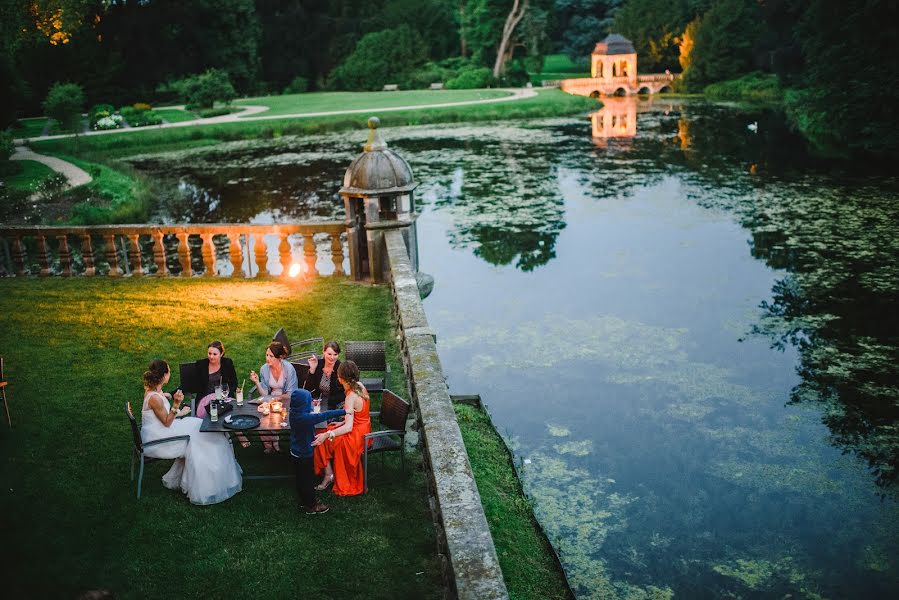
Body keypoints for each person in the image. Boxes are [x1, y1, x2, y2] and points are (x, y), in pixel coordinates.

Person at [141, 359, 242, 505]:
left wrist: (172, 402)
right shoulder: (155, 398)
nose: (170, 373)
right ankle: (208, 486)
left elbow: (161, 409)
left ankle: (205, 478)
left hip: (161, 429)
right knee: (200, 438)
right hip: (159, 437)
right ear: (163, 376)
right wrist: (176, 404)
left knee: (200, 425)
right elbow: (167, 421)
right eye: (169, 371)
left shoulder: (154, 390)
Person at [311, 360, 371, 496]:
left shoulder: (350, 397)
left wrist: (328, 435)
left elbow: (349, 428)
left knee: (323, 436)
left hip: (356, 436)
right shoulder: (359, 385)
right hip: (363, 427)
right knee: (326, 429)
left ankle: (328, 475)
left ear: (341, 378)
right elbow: (356, 416)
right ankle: (329, 473)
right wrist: (339, 424)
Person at [288, 388, 346, 514]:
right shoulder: (304, 418)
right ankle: (312, 505)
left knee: (300, 479)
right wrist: (345, 411)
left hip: (295, 451)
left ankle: (304, 501)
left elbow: (309, 412)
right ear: (305, 404)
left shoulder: (294, 412)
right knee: (308, 480)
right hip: (304, 454)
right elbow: (324, 415)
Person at [250, 341, 298, 453]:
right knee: (263, 417)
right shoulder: (264, 369)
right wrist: (257, 382)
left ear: (280, 357)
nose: (268, 358)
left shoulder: (288, 369)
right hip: (271, 399)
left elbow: (291, 393)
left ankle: (276, 441)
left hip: (287, 399)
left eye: (271, 356)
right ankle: (269, 444)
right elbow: (265, 394)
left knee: (280, 416)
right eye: (267, 355)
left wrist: (274, 399)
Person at [194, 341, 238, 419]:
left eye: (215, 354)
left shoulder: (227, 363)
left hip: (224, 398)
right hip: (206, 400)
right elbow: (190, 383)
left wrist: (225, 393)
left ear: (221, 354)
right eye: (209, 353)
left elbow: (234, 383)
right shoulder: (201, 364)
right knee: (214, 416)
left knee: (232, 416)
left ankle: (238, 430)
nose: (211, 357)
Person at [302, 341, 345, 411]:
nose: (332, 357)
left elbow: (345, 393)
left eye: (335, 354)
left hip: (334, 404)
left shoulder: (341, 368)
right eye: (329, 354)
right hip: (317, 401)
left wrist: (327, 402)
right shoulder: (318, 364)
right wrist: (312, 369)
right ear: (324, 352)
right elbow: (308, 388)